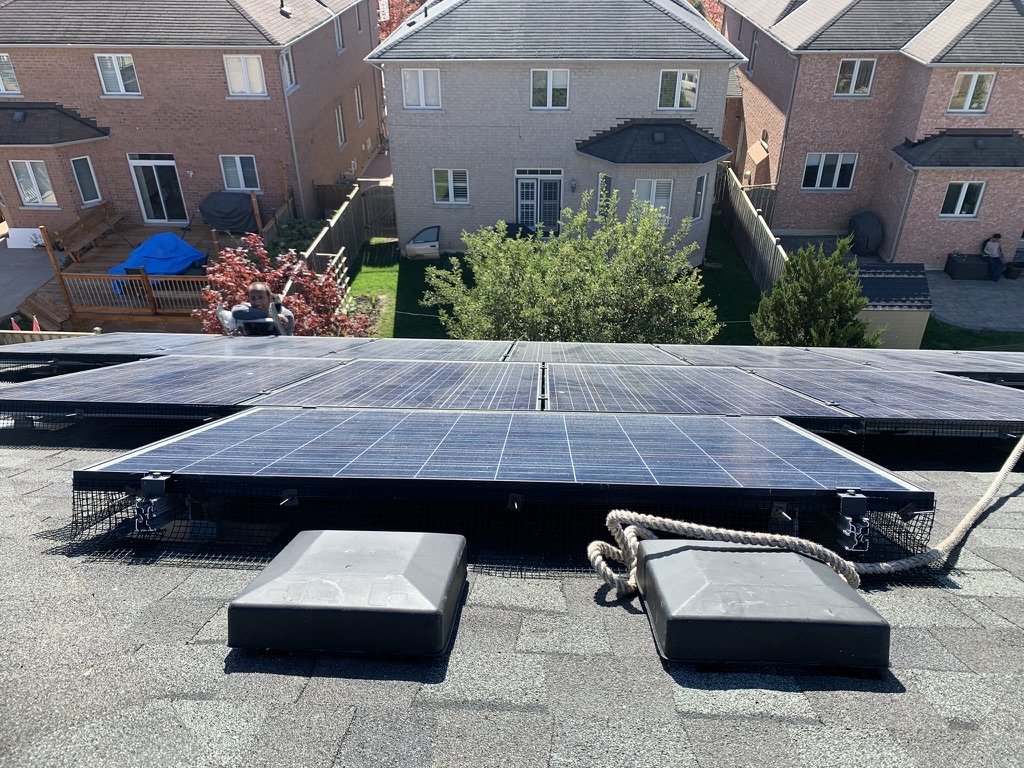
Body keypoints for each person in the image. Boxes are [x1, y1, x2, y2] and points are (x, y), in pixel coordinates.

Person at [230, 282, 295, 335]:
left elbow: (287, 342)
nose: (257, 302)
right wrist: (271, 316)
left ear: (270, 297)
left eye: (261, 297)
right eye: (253, 298)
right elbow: (236, 312)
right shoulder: (246, 308)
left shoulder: (285, 315)